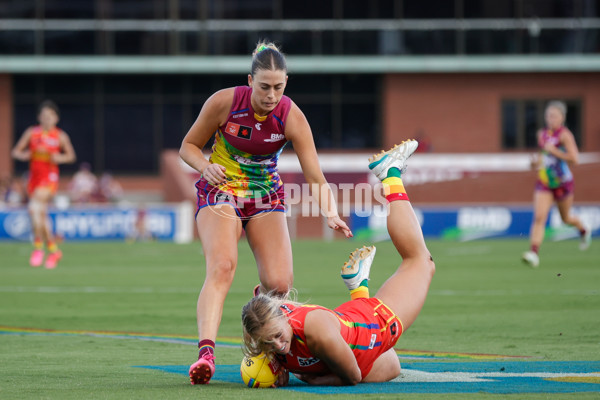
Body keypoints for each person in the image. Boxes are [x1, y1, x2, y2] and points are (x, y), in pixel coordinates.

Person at [179, 40, 353, 385]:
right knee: (223, 265)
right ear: (250, 81)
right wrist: (204, 167)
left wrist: (330, 213)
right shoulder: (224, 103)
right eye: (264, 86)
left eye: (279, 86)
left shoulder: (292, 117)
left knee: (279, 284)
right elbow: (188, 146)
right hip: (220, 189)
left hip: (264, 195)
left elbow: (314, 175)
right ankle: (206, 354)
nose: (271, 94)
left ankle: (263, 335)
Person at [241, 139, 436, 386]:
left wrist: (310, 379)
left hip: (375, 325)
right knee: (392, 366)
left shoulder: (316, 330)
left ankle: (390, 174)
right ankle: (359, 288)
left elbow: (352, 377)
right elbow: (260, 304)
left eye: (278, 336)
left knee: (420, 261)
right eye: (269, 342)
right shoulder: (265, 330)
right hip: (349, 332)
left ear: (283, 316)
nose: (278, 346)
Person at [522, 101, 591, 268]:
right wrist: (534, 164)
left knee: (565, 218)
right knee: (539, 217)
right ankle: (534, 252)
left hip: (562, 183)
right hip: (545, 181)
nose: (550, 119)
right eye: (548, 116)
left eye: (554, 116)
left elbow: (575, 159)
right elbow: (543, 158)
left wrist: (555, 152)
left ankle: (583, 230)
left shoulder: (564, 135)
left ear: (562, 117)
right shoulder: (542, 134)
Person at [11, 100, 76, 269]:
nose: (47, 119)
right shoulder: (32, 133)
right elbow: (15, 151)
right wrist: (23, 155)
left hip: (50, 178)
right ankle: (54, 251)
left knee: (34, 207)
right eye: (44, 116)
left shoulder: (60, 136)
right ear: (39, 117)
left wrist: (59, 158)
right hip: (34, 178)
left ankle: (38, 248)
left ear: (56, 118)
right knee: (41, 215)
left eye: (50, 116)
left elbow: (71, 156)